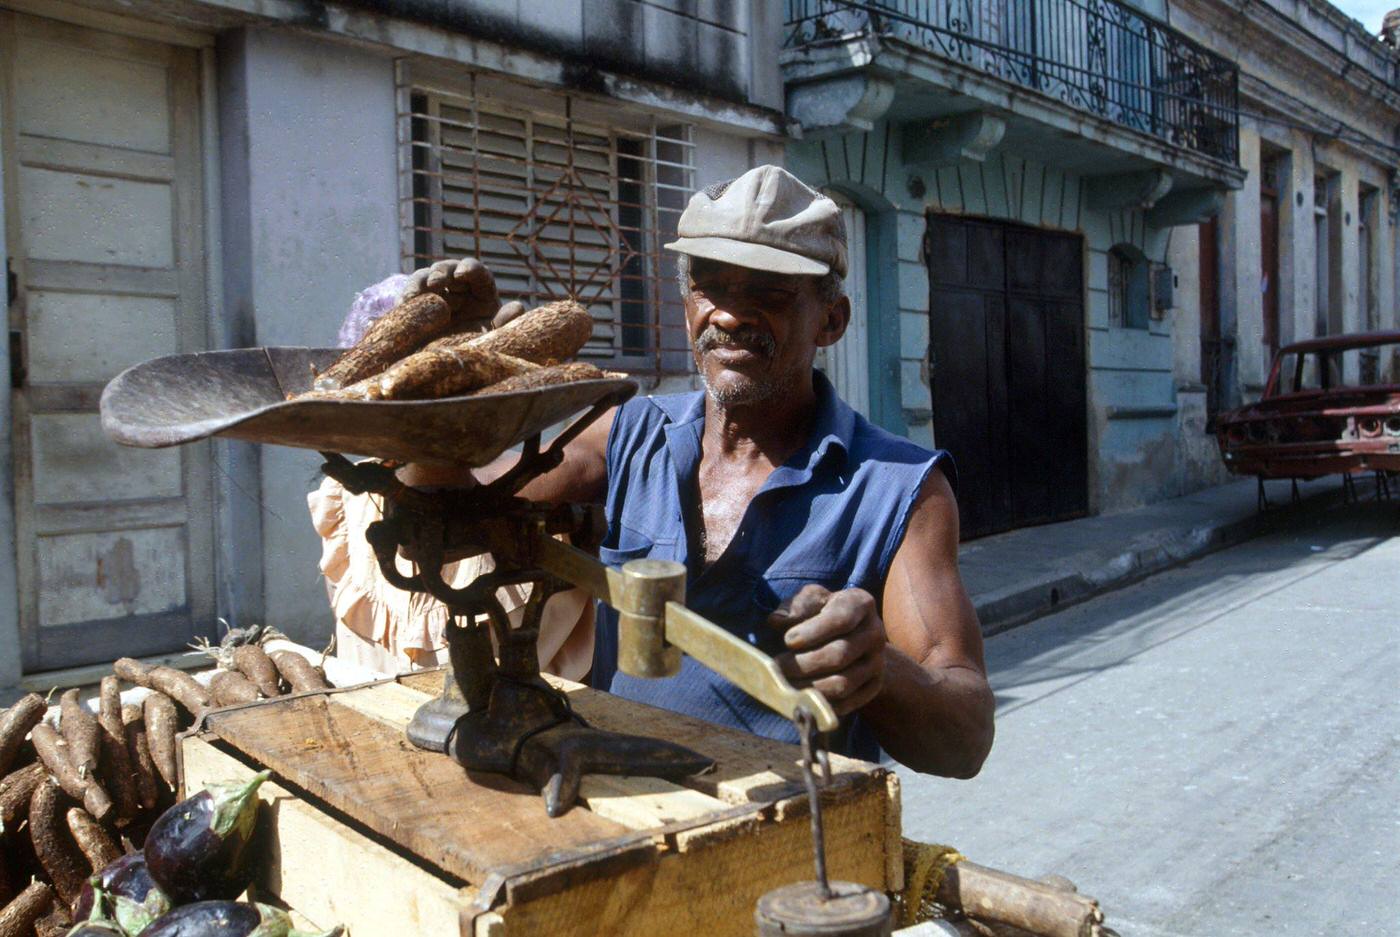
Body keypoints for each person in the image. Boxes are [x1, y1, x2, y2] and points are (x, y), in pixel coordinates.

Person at [400, 165, 994, 776]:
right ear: (687, 307)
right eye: (712, 287)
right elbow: (450, 510)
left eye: (770, 294)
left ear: (832, 321)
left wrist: (879, 668)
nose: (732, 316)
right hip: (611, 804)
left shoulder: (898, 487)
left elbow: (966, 739)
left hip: (776, 834)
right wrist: (442, 389)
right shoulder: (630, 435)